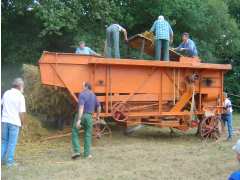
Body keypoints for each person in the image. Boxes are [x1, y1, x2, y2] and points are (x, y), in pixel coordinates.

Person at [71, 82, 101, 159]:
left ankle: (77, 151)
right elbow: (99, 107)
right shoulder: (94, 95)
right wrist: (97, 116)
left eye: (83, 86)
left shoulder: (82, 94)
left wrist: (79, 119)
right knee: (88, 134)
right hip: (89, 117)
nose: (82, 87)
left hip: (82, 115)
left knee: (75, 131)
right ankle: (87, 154)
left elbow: (81, 107)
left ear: (86, 87)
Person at [1, 78, 26, 167]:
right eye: (23, 86)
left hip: (4, 121)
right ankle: (9, 162)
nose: (23, 88)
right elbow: (22, 112)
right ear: (20, 86)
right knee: (12, 143)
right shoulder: (20, 96)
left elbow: (1, 104)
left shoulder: (6, 93)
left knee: (4, 142)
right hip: (14, 122)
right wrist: (23, 124)